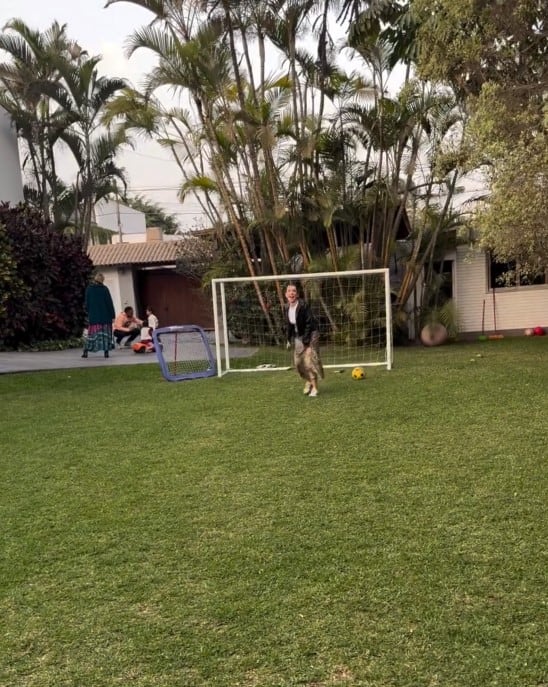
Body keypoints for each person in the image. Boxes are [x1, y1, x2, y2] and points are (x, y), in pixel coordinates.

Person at [284, 283, 324, 397]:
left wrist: (306, 341)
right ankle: (308, 381)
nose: (291, 293)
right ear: (286, 294)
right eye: (289, 291)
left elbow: (309, 323)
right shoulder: (286, 307)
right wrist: (288, 339)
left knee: (308, 362)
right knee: (297, 363)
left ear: (297, 294)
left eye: (294, 291)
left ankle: (315, 388)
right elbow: (289, 325)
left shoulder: (303, 305)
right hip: (299, 336)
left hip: (311, 334)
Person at [82, 273, 115, 359]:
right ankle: (106, 352)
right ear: (102, 280)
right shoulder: (104, 289)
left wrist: (89, 313)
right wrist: (112, 315)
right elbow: (109, 303)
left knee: (92, 335)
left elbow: (87, 303)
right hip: (105, 317)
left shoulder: (89, 289)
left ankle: (86, 352)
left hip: (94, 317)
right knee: (105, 335)